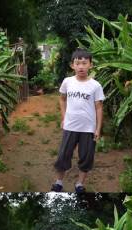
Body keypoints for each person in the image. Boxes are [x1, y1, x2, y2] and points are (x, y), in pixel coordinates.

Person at [51, 48, 104, 193]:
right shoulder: (67, 82)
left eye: (84, 63)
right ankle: (58, 182)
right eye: (78, 63)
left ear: (90, 65)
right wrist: (64, 117)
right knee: (63, 155)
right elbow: (62, 99)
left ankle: (79, 183)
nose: (81, 66)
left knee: (86, 157)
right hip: (70, 126)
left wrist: (98, 129)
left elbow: (99, 107)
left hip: (88, 128)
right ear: (72, 65)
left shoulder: (95, 85)